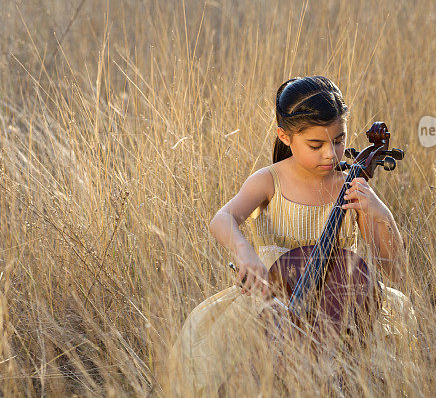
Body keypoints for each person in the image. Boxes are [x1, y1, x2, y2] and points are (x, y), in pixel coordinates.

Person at [169, 76, 417, 395]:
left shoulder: (352, 186)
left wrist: (381, 214)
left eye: (339, 140)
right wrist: (245, 255)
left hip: (341, 304)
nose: (331, 154)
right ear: (285, 136)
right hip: (277, 298)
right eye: (316, 145)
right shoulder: (270, 179)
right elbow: (223, 218)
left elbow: (391, 269)